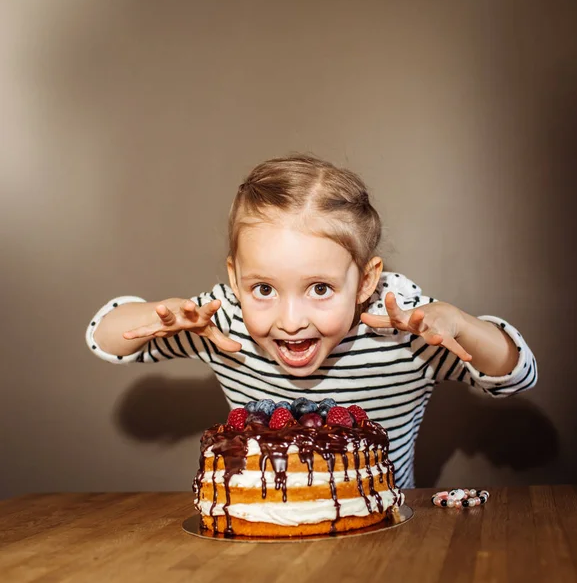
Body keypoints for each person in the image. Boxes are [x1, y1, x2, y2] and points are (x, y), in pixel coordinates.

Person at [86, 154, 537, 488]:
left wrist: (461, 324)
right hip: (264, 542)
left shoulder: (403, 324)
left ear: (365, 282)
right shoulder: (220, 320)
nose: (290, 320)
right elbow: (105, 337)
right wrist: (163, 316)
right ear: (235, 278)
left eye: (320, 289)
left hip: (384, 543)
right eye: (263, 289)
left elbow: (515, 375)